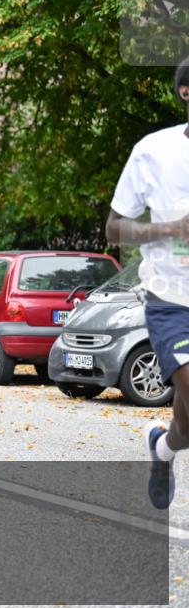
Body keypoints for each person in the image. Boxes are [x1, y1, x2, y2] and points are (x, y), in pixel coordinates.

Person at [105, 55, 189, 509]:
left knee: (188, 422)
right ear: (186, 93)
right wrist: (171, 230)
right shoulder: (153, 151)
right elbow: (115, 228)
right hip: (172, 298)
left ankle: (162, 447)